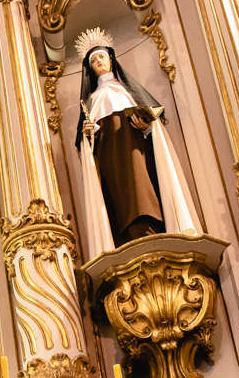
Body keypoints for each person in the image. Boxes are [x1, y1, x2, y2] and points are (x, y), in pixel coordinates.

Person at [73, 27, 199, 256]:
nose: (99, 61)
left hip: (136, 150)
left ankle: (154, 230)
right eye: (93, 60)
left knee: (143, 192)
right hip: (111, 159)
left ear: (111, 59)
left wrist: (149, 126)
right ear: (90, 68)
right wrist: (88, 135)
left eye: (101, 56)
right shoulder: (91, 101)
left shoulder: (127, 90)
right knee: (119, 202)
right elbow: (86, 145)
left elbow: (153, 122)